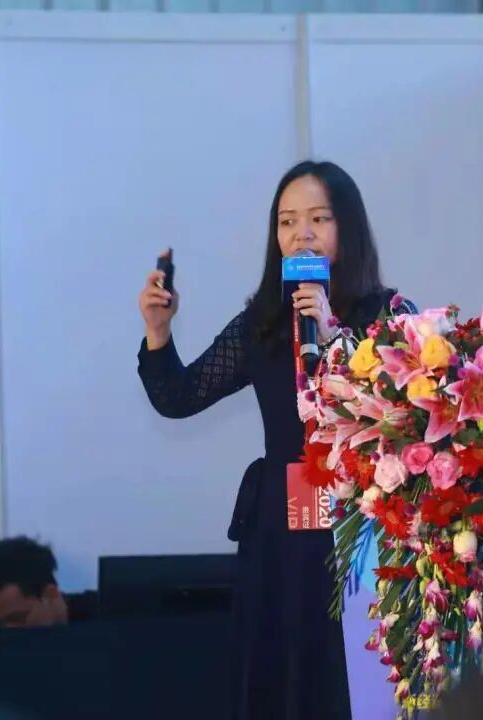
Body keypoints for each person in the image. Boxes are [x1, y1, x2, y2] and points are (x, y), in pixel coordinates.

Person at [137, 160, 413, 720]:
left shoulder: (388, 315)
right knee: (285, 673)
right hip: (283, 530)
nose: (301, 234)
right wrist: (158, 333)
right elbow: (179, 397)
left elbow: (408, 414)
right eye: (287, 222)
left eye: (318, 219)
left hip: (367, 524)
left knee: (356, 674)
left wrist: (336, 340)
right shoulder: (262, 322)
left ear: (348, 227)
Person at [0, 535, 100, 628]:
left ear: (51, 594)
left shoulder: (108, 620)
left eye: (18, 619)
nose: (7, 635)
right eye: (0, 625)